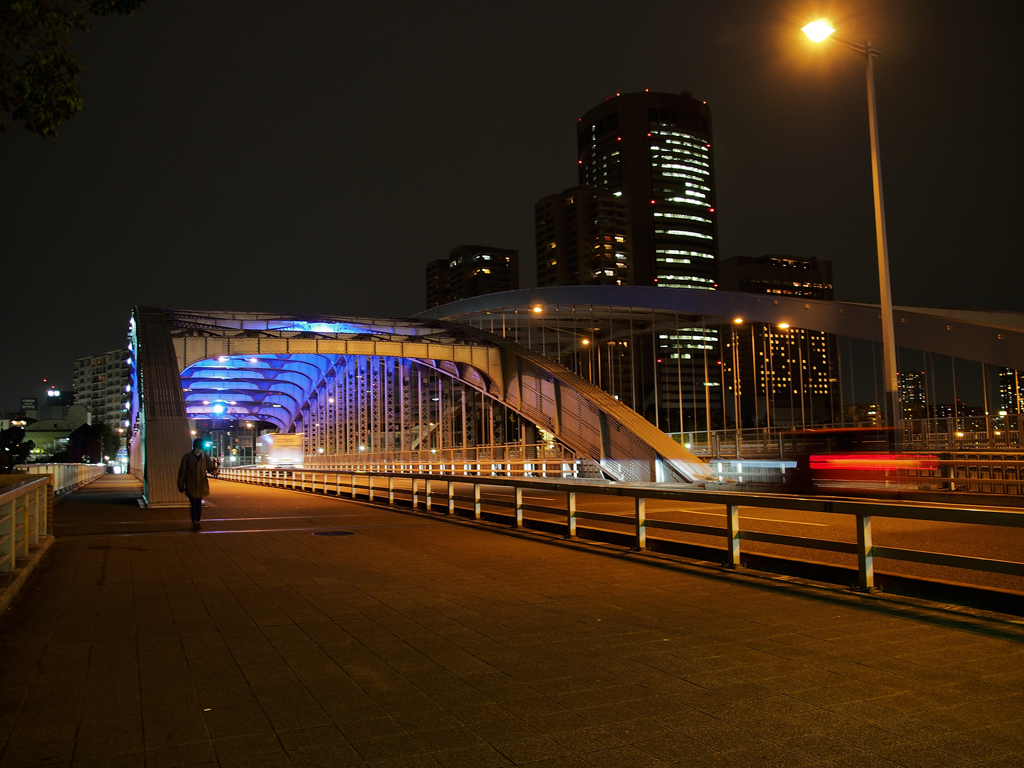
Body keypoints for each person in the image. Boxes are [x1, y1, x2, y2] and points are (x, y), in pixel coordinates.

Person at [177, 438, 218, 531]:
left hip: (201, 484)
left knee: (198, 503)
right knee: (194, 503)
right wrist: (180, 484)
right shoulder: (187, 457)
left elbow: (210, 468)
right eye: (198, 447)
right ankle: (195, 521)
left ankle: (197, 521)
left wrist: (214, 471)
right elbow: (182, 471)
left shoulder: (205, 457)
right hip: (190, 484)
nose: (198, 449)